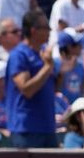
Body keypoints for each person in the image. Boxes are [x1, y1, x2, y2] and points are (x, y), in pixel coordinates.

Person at [5, 9, 58, 148]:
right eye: (46, 28)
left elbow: (53, 88)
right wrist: (47, 67)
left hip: (47, 127)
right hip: (27, 129)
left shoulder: (44, 54)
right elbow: (26, 89)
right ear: (34, 30)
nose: (50, 31)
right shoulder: (19, 55)